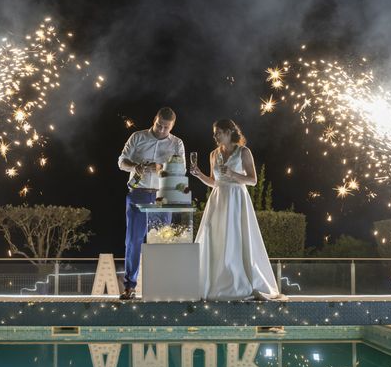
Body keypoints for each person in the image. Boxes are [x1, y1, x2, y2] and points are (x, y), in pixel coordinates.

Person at [190, 119, 284, 300]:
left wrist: (233, 174)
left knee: (235, 238)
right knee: (214, 238)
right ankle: (213, 283)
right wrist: (199, 174)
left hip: (236, 199)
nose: (215, 136)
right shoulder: (213, 154)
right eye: (214, 133)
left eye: (218, 132)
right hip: (218, 199)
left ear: (228, 132)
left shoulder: (243, 152)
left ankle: (238, 283)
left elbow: (253, 180)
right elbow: (214, 182)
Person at [117, 107, 185, 300]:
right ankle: (129, 286)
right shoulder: (137, 137)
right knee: (133, 242)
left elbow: (181, 170)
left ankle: (163, 287)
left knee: (163, 242)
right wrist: (135, 166)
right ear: (154, 120)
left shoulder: (177, 143)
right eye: (159, 125)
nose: (162, 130)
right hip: (138, 193)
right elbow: (121, 161)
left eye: (166, 127)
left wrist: (160, 168)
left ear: (172, 126)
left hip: (163, 195)